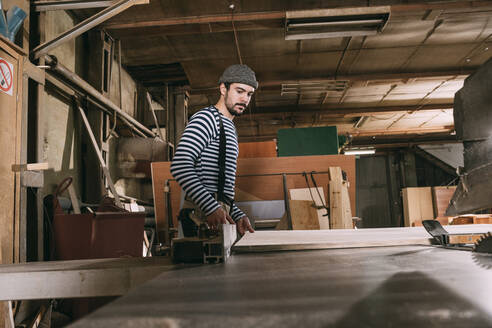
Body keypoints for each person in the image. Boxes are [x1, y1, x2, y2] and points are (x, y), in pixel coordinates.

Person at [170, 64, 257, 236]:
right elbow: (180, 165)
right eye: (239, 91)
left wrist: (237, 214)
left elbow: (222, 186)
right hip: (200, 216)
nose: (245, 99)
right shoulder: (207, 118)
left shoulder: (230, 128)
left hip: (216, 211)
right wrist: (211, 207)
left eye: (249, 94)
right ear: (223, 88)